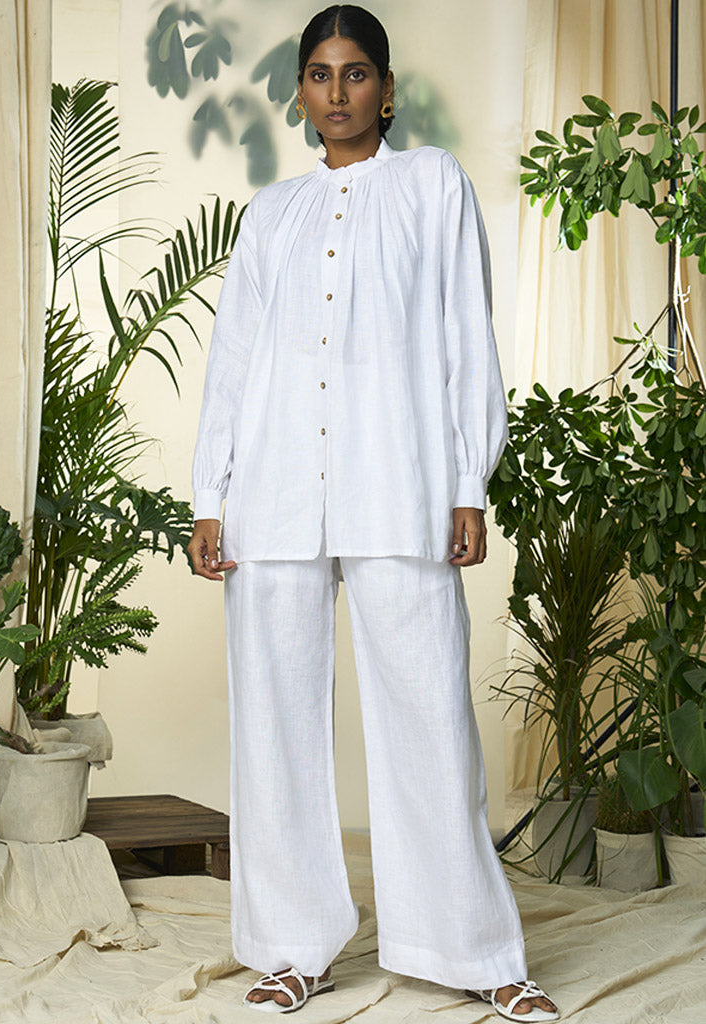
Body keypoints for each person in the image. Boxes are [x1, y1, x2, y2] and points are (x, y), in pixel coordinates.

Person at [187, 5, 560, 1021]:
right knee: (274, 723)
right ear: (300, 91)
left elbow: (465, 335)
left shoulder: (433, 185)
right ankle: (292, 946)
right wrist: (210, 495)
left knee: (429, 714)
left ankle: (477, 951)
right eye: (320, 73)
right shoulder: (271, 214)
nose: (338, 91)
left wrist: (467, 482)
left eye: (356, 73)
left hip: (398, 481)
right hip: (273, 492)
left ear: (386, 89)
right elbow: (235, 361)